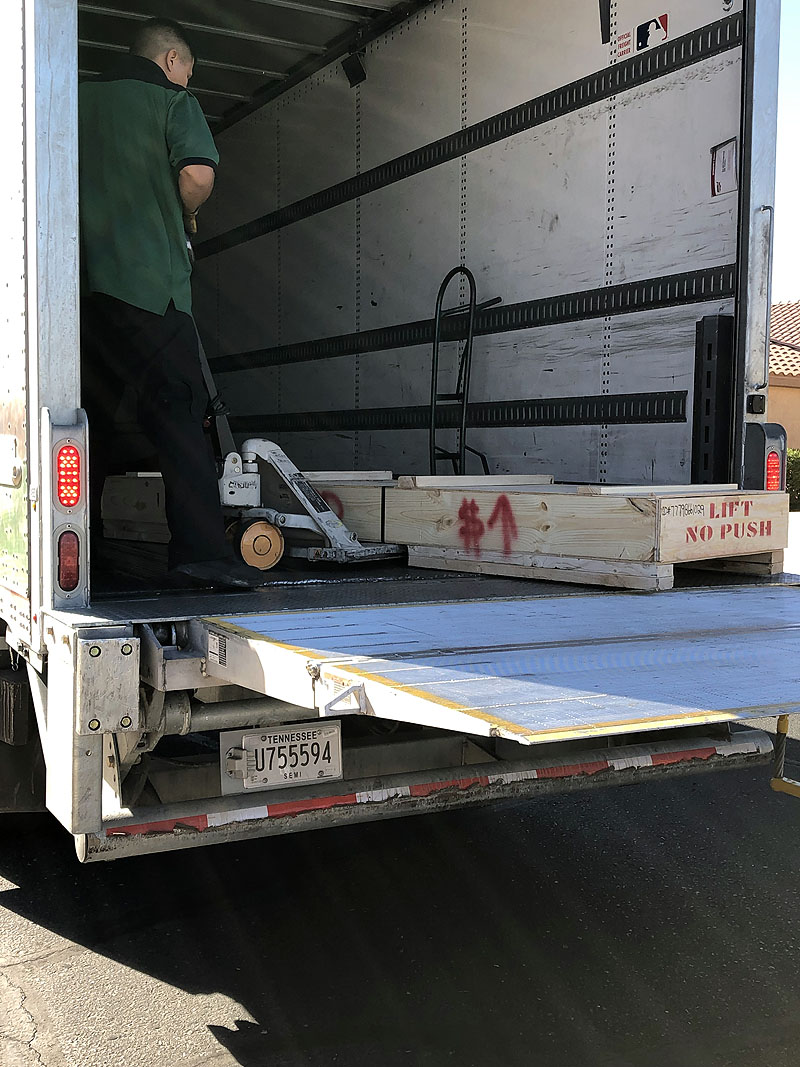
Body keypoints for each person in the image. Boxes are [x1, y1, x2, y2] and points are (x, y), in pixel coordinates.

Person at [79, 17, 267, 590]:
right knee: (181, 416)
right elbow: (197, 175)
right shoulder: (171, 101)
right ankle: (199, 556)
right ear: (171, 59)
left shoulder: (74, 102)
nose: (189, 80)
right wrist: (183, 212)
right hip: (152, 288)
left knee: (90, 427)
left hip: (80, 294)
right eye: (189, 69)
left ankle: (84, 552)